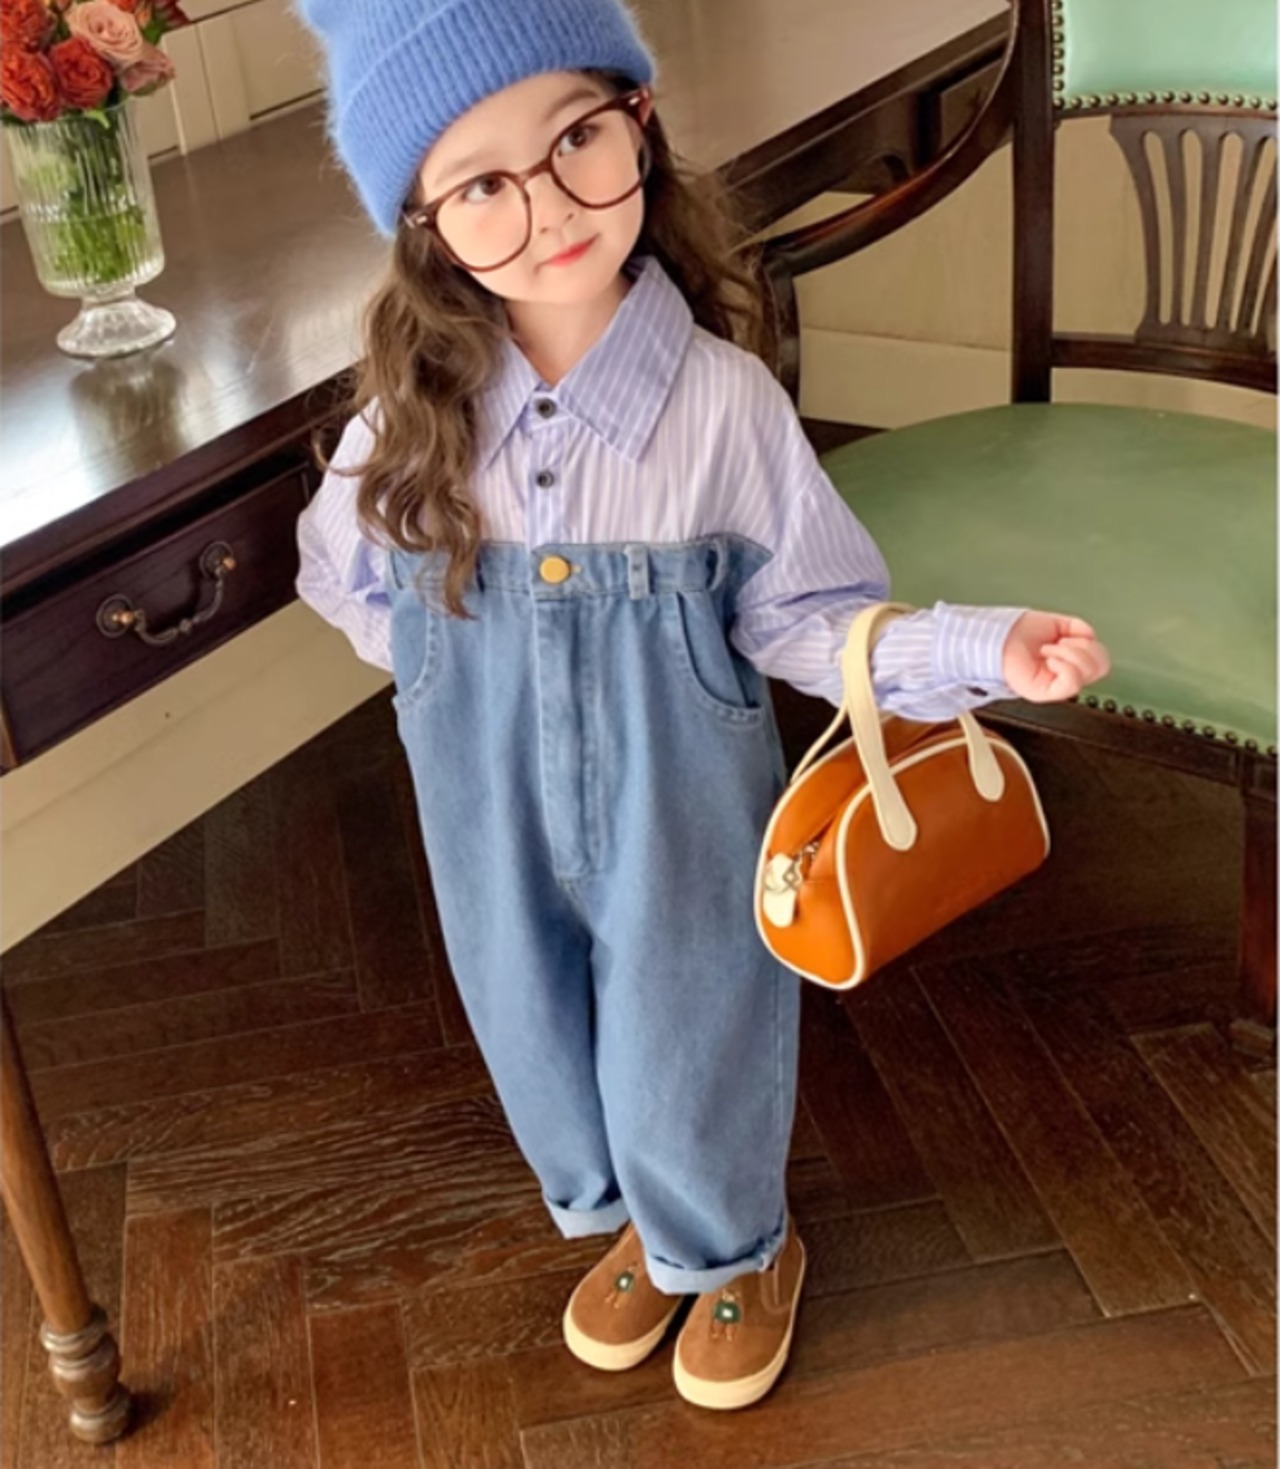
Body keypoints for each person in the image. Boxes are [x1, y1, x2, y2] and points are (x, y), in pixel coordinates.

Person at [292, 0, 1112, 1413]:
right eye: (482, 184)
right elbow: (339, 570)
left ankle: (735, 1244)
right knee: (528, 1016)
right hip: (485, 802)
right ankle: (640, 1221)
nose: (548, 207)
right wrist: (444, 669)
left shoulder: (723, 408)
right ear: (423, 225)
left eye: (577, 139)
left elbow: (812, 617)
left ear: (641, 124)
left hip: (677, 793)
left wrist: (984, 645)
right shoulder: (409, 416)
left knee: (690, 1016)